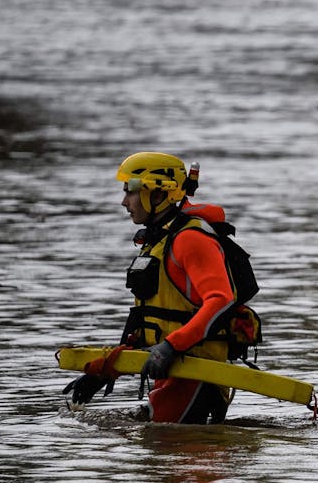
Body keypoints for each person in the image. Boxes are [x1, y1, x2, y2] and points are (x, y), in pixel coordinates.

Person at [64, 151, 254, 424]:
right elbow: (151, 321)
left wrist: (170, 347)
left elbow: (221, 299)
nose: (123, 201)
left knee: (162, 448)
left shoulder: (190, 239)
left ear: (158, 193)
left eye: (130, 191)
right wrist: (103, 373)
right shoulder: (158, 241)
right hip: (173, 373)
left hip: (197, 375)